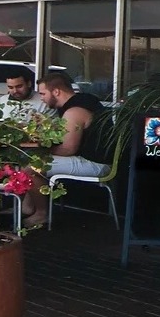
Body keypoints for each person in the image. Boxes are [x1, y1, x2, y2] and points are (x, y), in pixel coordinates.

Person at [24, 72, 111, 226]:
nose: (41, 98)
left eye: (43, 93)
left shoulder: (74, 111)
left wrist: (42, 151)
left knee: (33, 167)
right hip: (95, 159)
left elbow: (68, 148)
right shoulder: (82, 102)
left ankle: (41, 214)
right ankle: (27, 207)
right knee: (34, 162)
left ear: (56, 92)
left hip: (95, 163)